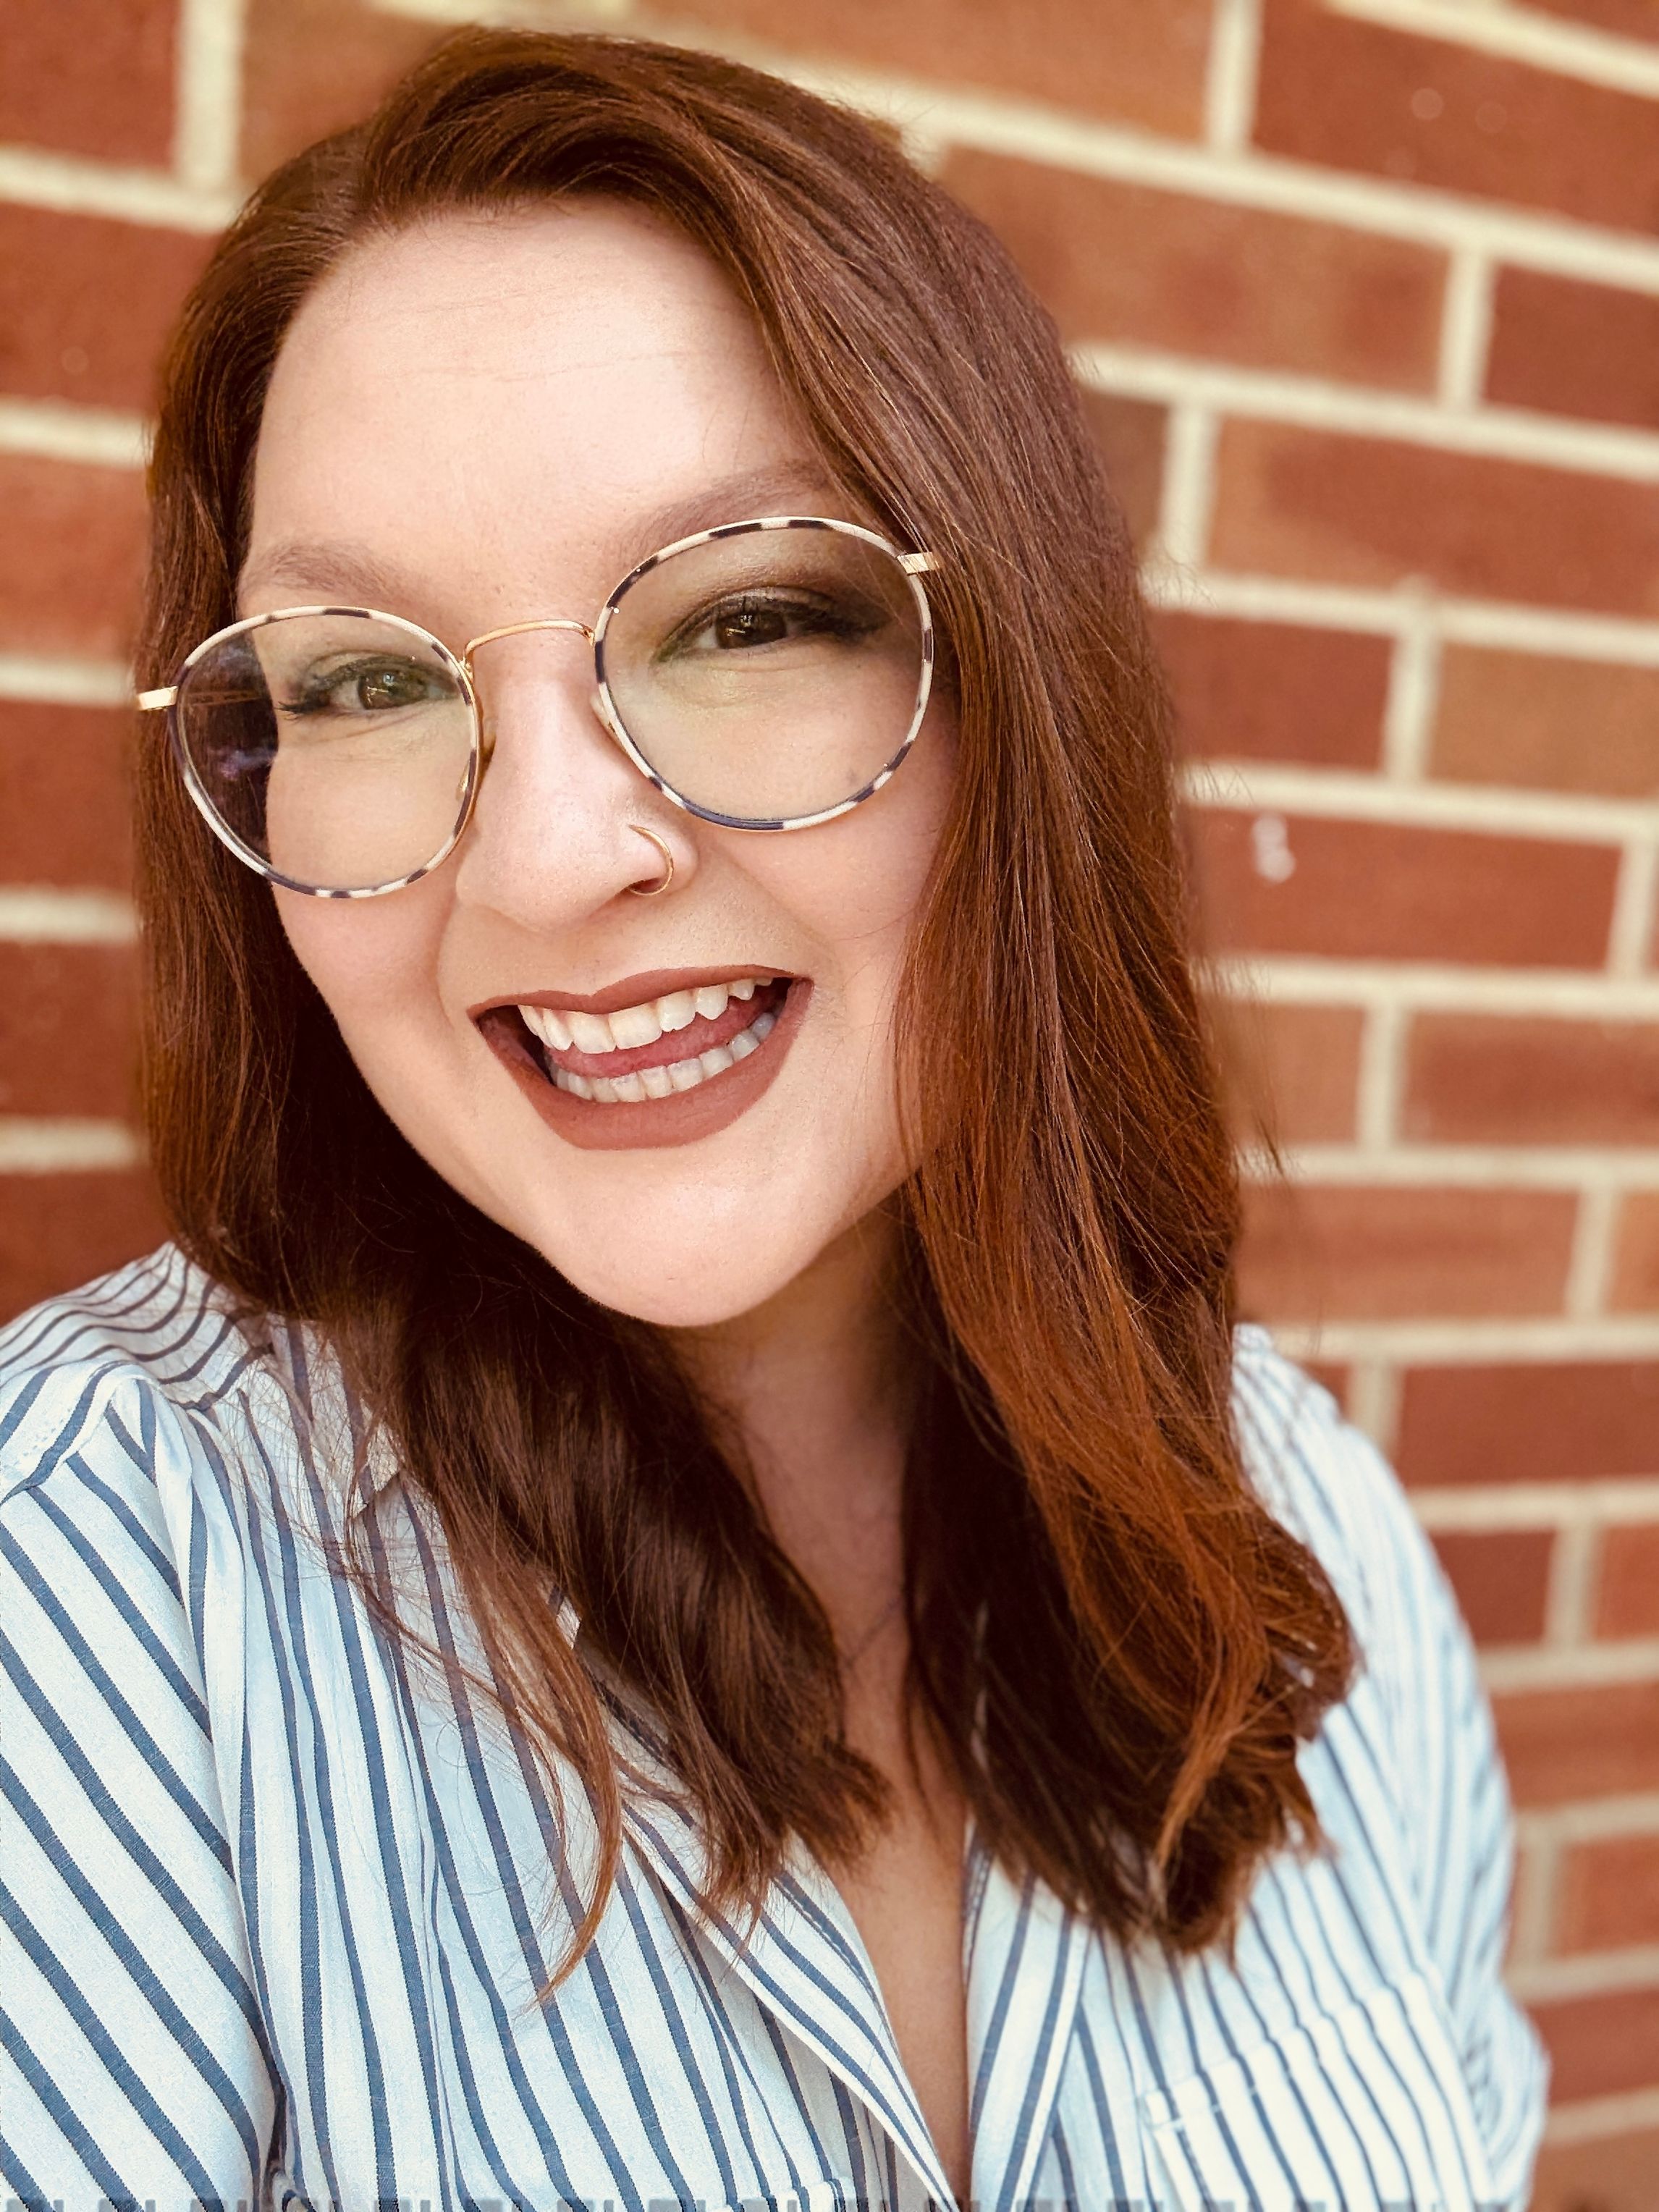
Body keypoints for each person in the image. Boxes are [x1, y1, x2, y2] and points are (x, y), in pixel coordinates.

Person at [0, 28, 1545, 2211]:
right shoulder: (78, 1594)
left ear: (1020, 696)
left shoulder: (1309, 1543)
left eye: (741, 617)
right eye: (359, 675)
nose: (542, 860)